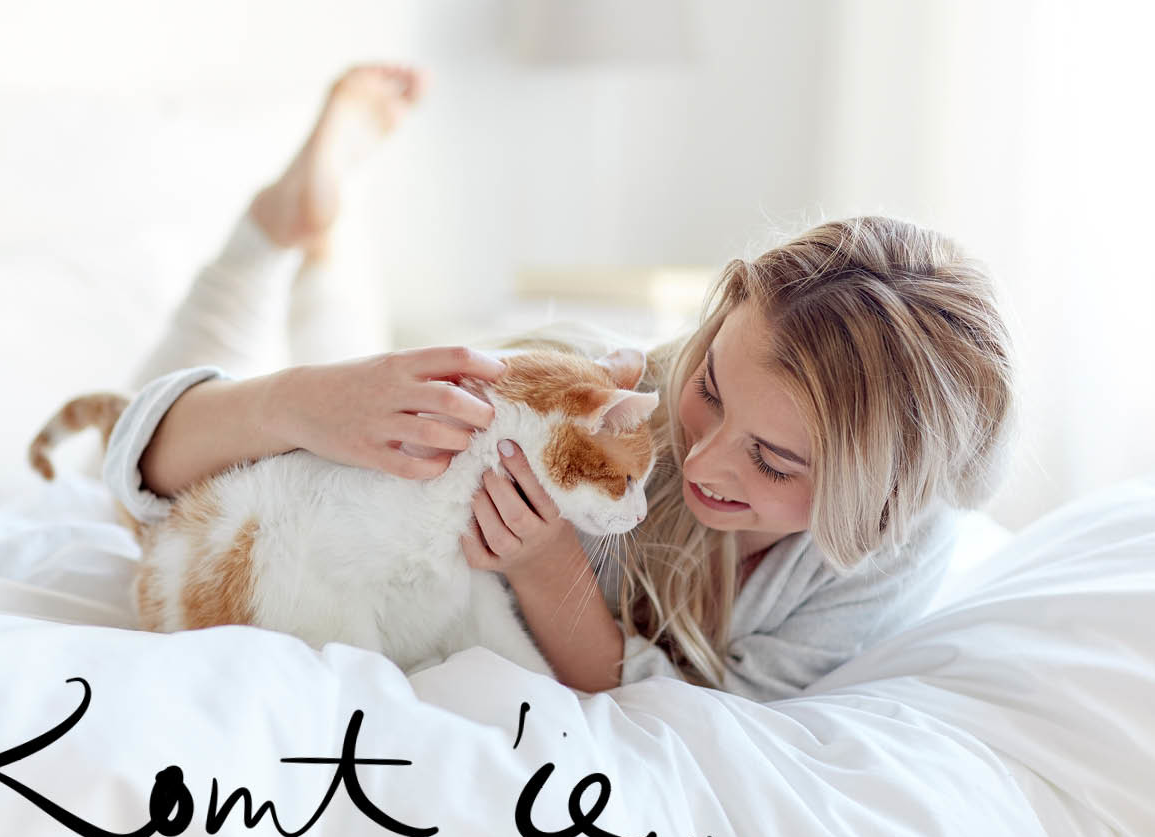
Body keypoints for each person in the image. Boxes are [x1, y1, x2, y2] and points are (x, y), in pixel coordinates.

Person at [105, 63, 1020, 701]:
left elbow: (712, 709)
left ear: (883, 501)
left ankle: (312, 234)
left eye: (775, 463)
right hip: (324, 427)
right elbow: (141, 472)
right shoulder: (590, 392)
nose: (699, 457)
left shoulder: (891, 559)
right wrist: (300, 402)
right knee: (279, 401)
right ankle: (269, 235)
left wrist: (548, 571)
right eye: (708, 384)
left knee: (341, 347)